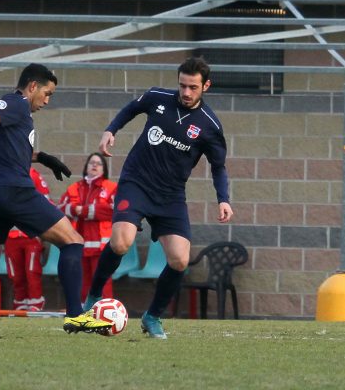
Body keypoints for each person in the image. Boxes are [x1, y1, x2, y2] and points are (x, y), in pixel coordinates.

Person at [82, 57, 234, 339]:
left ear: (206, 86)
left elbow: (218, 166)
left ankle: (152, 317)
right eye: (182, 85)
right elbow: (132, 108)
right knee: (121, 241)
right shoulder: (157, 97)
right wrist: (110, 130)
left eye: (193, 87)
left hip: (171, 195)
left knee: (179, 260)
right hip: (136, 183)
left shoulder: (210, 125)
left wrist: (223, 198)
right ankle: (90, 300)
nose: (186, 93)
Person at [0, 63, 112, 334]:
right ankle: (76, 315)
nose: (47, 100)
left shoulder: (15, 111)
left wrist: (42, 158)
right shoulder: (16, 102)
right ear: (32, 87)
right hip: (13, 191)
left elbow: (9, 149)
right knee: (73, 241)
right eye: (47, 93)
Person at [58, 152, 117, 302]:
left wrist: (82, 211)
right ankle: (84, 314)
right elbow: (60, 209)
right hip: (79, 243)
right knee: (82, 283)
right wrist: (73, 210)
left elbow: (112, 210)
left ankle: (106, 313)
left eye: (98, 163)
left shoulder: (111, 188)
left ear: (104, 169)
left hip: (101, 246)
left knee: (103, 283)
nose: (95, 165)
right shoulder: (74, 188)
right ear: (86, 167)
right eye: (92, 162)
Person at [4, 167, 50, 311]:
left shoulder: (33, 175)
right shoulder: (2, 174)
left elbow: (45, 203)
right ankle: (20, 305)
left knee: (32, 273)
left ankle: (35, 304)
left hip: (31, 235)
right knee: (15, 275)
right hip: (10, 236)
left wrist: (43, 232)